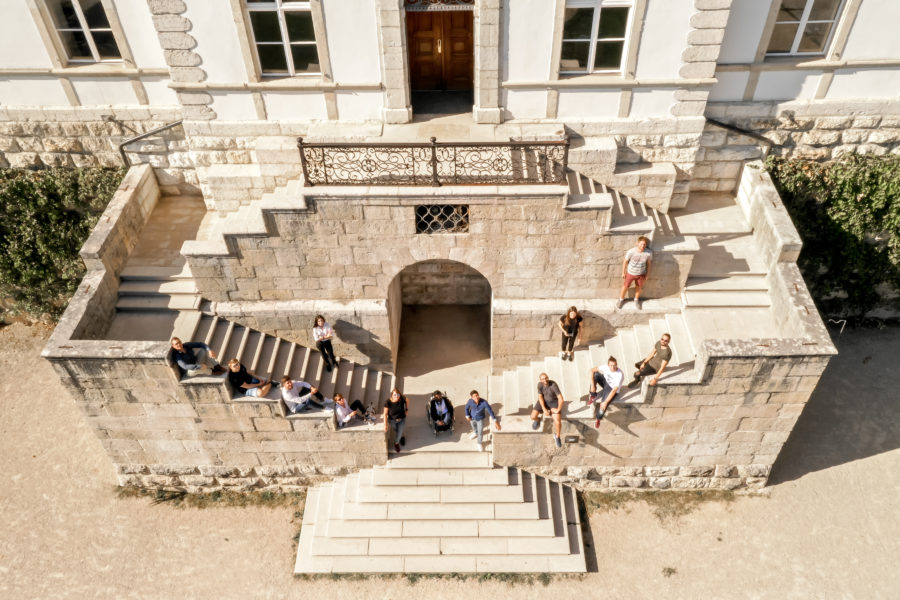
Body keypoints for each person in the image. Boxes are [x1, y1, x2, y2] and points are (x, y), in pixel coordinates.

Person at [617, 235, 652, 310]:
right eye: (641, 244)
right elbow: (625, 262)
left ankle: (636, 300)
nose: (643, 246)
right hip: (630, 273)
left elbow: (649, 264)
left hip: (641, 274)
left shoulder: (648, 253)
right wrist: (623, 272)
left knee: (639, 287)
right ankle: (621, 300)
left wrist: (647, 274)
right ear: (638, 243)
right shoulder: (631, 251)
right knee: (625, 286)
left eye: (644, 244)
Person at [531, 373, 565, 448]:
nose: (545, 380)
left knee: (558, 422)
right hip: (544, 401)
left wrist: (557, 410)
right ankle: (538, 420)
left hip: (553, 402)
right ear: (540, 380)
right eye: (543, 379)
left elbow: (561, 399)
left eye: (546, 378)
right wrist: (544, 409)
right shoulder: (540, 385)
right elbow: (540, 397)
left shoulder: (553, 385)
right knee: (533, 417)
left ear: (548, 377)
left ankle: (557, 437)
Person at [589, 356, 624, 427]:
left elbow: (614, 390)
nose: (613, 367)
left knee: (603, 406)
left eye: (615, 365)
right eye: (611, 365)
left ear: (616, 365)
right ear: (608, 365)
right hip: (605, 383)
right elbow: (591, 370)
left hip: (612, 388)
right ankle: (593, 395)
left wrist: (605, 402)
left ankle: (598, 418)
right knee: (596, 374)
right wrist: (593, 386)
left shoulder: (619, 374)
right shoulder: (605, 367)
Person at [383, 388, 408, 453]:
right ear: (392, 395)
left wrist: (406, 409)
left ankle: (396, 443)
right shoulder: (387, 402)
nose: (396, 396)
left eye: (398, 395)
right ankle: (402, 435)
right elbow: (385, 414)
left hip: (402, 419)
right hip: (392, 421)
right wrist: (385, 425)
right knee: (397, 430)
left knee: (399, 432)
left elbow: (407, 400)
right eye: (395, 395)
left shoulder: (401, 398)